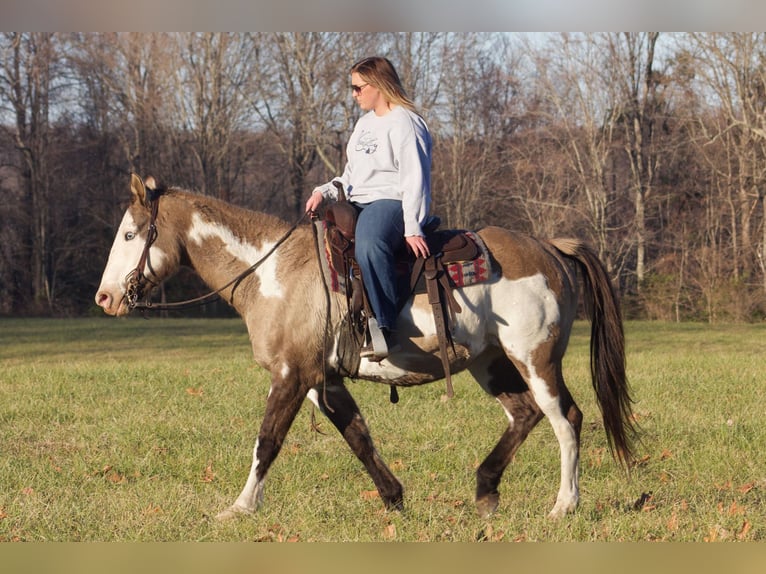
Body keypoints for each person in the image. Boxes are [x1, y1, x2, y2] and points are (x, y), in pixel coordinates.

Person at [305, 56, 433, 361]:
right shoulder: (364, 124)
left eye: (358, 87)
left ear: (377, 85)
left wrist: (413, 227)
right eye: (353, 88)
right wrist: (323, 191)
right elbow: (351, 175)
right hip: (357, 199)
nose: (354, 94)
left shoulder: (406, 122)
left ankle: (387, 328)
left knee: (370, 245)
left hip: (391, 201)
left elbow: (415, 178)